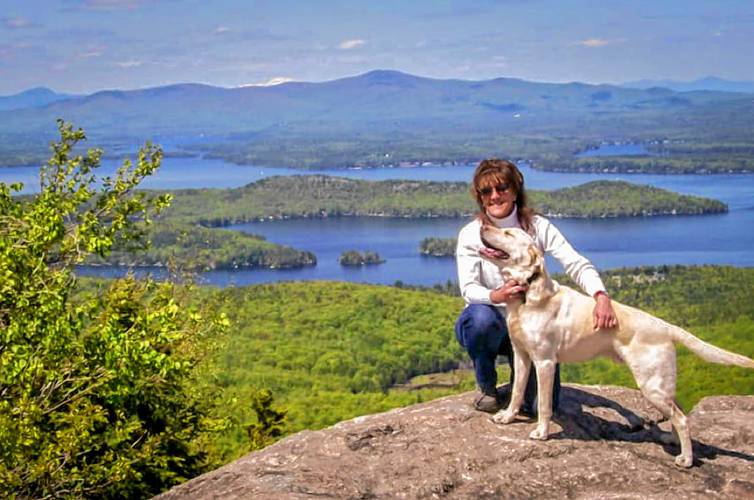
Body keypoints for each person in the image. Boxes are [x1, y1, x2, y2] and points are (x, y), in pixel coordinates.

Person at [455, 158, 618, 414]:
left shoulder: (537, 227)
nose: (495, 197)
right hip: (494, 325)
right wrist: (498, 295)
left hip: (535, 330)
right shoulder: (471, 234)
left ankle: (519, 386)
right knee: (479, 320)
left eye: (502, 188)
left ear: (515, 190)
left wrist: (600, 295)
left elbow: (573, 261)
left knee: (536, 410)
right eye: (487, 191)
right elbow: (469, 289)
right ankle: (487, 386)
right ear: (479, 196)